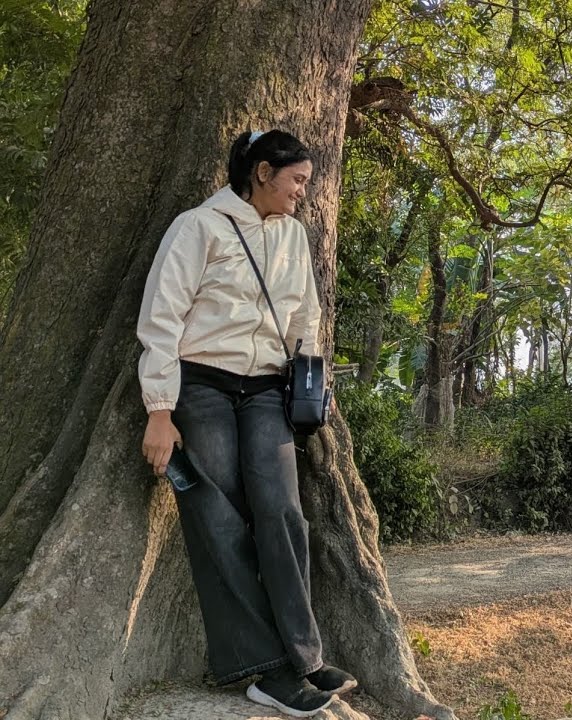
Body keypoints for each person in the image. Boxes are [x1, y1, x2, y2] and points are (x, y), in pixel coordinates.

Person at [137, 129, 355, 717]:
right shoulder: (198, 227)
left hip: (265, 389)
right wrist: (160, 410)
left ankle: (304, 655)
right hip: (201, 386)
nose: (303, 193)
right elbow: (161, 319)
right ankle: (264, 670)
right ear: (262, 172)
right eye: (297, 180)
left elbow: (306, 316)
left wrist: (312, 381)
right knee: (219, 515)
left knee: (282, 509)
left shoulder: (292, 235)